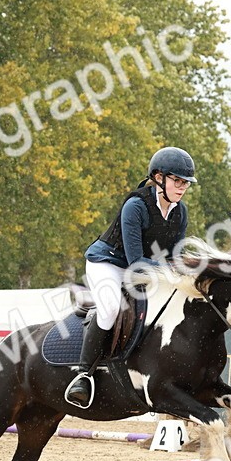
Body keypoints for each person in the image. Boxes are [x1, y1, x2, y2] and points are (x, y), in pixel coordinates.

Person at [65, 146, 196, 407]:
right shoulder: (136, 206)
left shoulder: (179, 213)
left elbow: (171, 257)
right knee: (112, 307)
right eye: (177, 181)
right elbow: (136, 263)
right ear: (159, 177)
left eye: (185, 183)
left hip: (144, 268)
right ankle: (83, 375)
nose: (182, 187)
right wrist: (171, 270)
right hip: (109, 264)